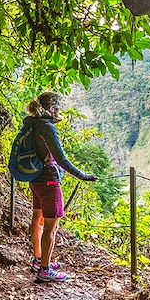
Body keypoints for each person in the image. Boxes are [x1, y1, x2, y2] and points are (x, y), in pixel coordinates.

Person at [23, 91, 97, 283]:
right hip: (49, 181)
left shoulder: (31, 123)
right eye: (57, 108)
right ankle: (45, 271)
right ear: (51, 109)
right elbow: (61, 159)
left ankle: (39, 260)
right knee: (51, 226)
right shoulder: (47, 128)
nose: (59, 111)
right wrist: (83, 176)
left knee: (37, 221)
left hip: (35, 178)